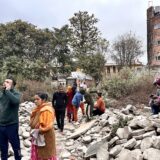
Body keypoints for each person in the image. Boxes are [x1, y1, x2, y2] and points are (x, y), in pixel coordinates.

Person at [30, 92, 57, 160]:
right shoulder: (39, 108)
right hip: (38, 136)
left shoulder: (46, 110)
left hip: (45, 137)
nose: (35, 101)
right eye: (34, 99)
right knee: (40, 154)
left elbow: (47, 125)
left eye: (37, 99)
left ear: (44, 100)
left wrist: (38, 130)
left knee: (45, 155)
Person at [0, 77, 21, 160]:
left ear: (12, 85)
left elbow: (15, 101)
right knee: (3, 148)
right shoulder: (1, 94)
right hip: (1, 125)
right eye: (5, 81)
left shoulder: (16, 94)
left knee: (16, 147)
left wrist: (8, 91)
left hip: (11, 125)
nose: (5, 83)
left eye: (8, 82)